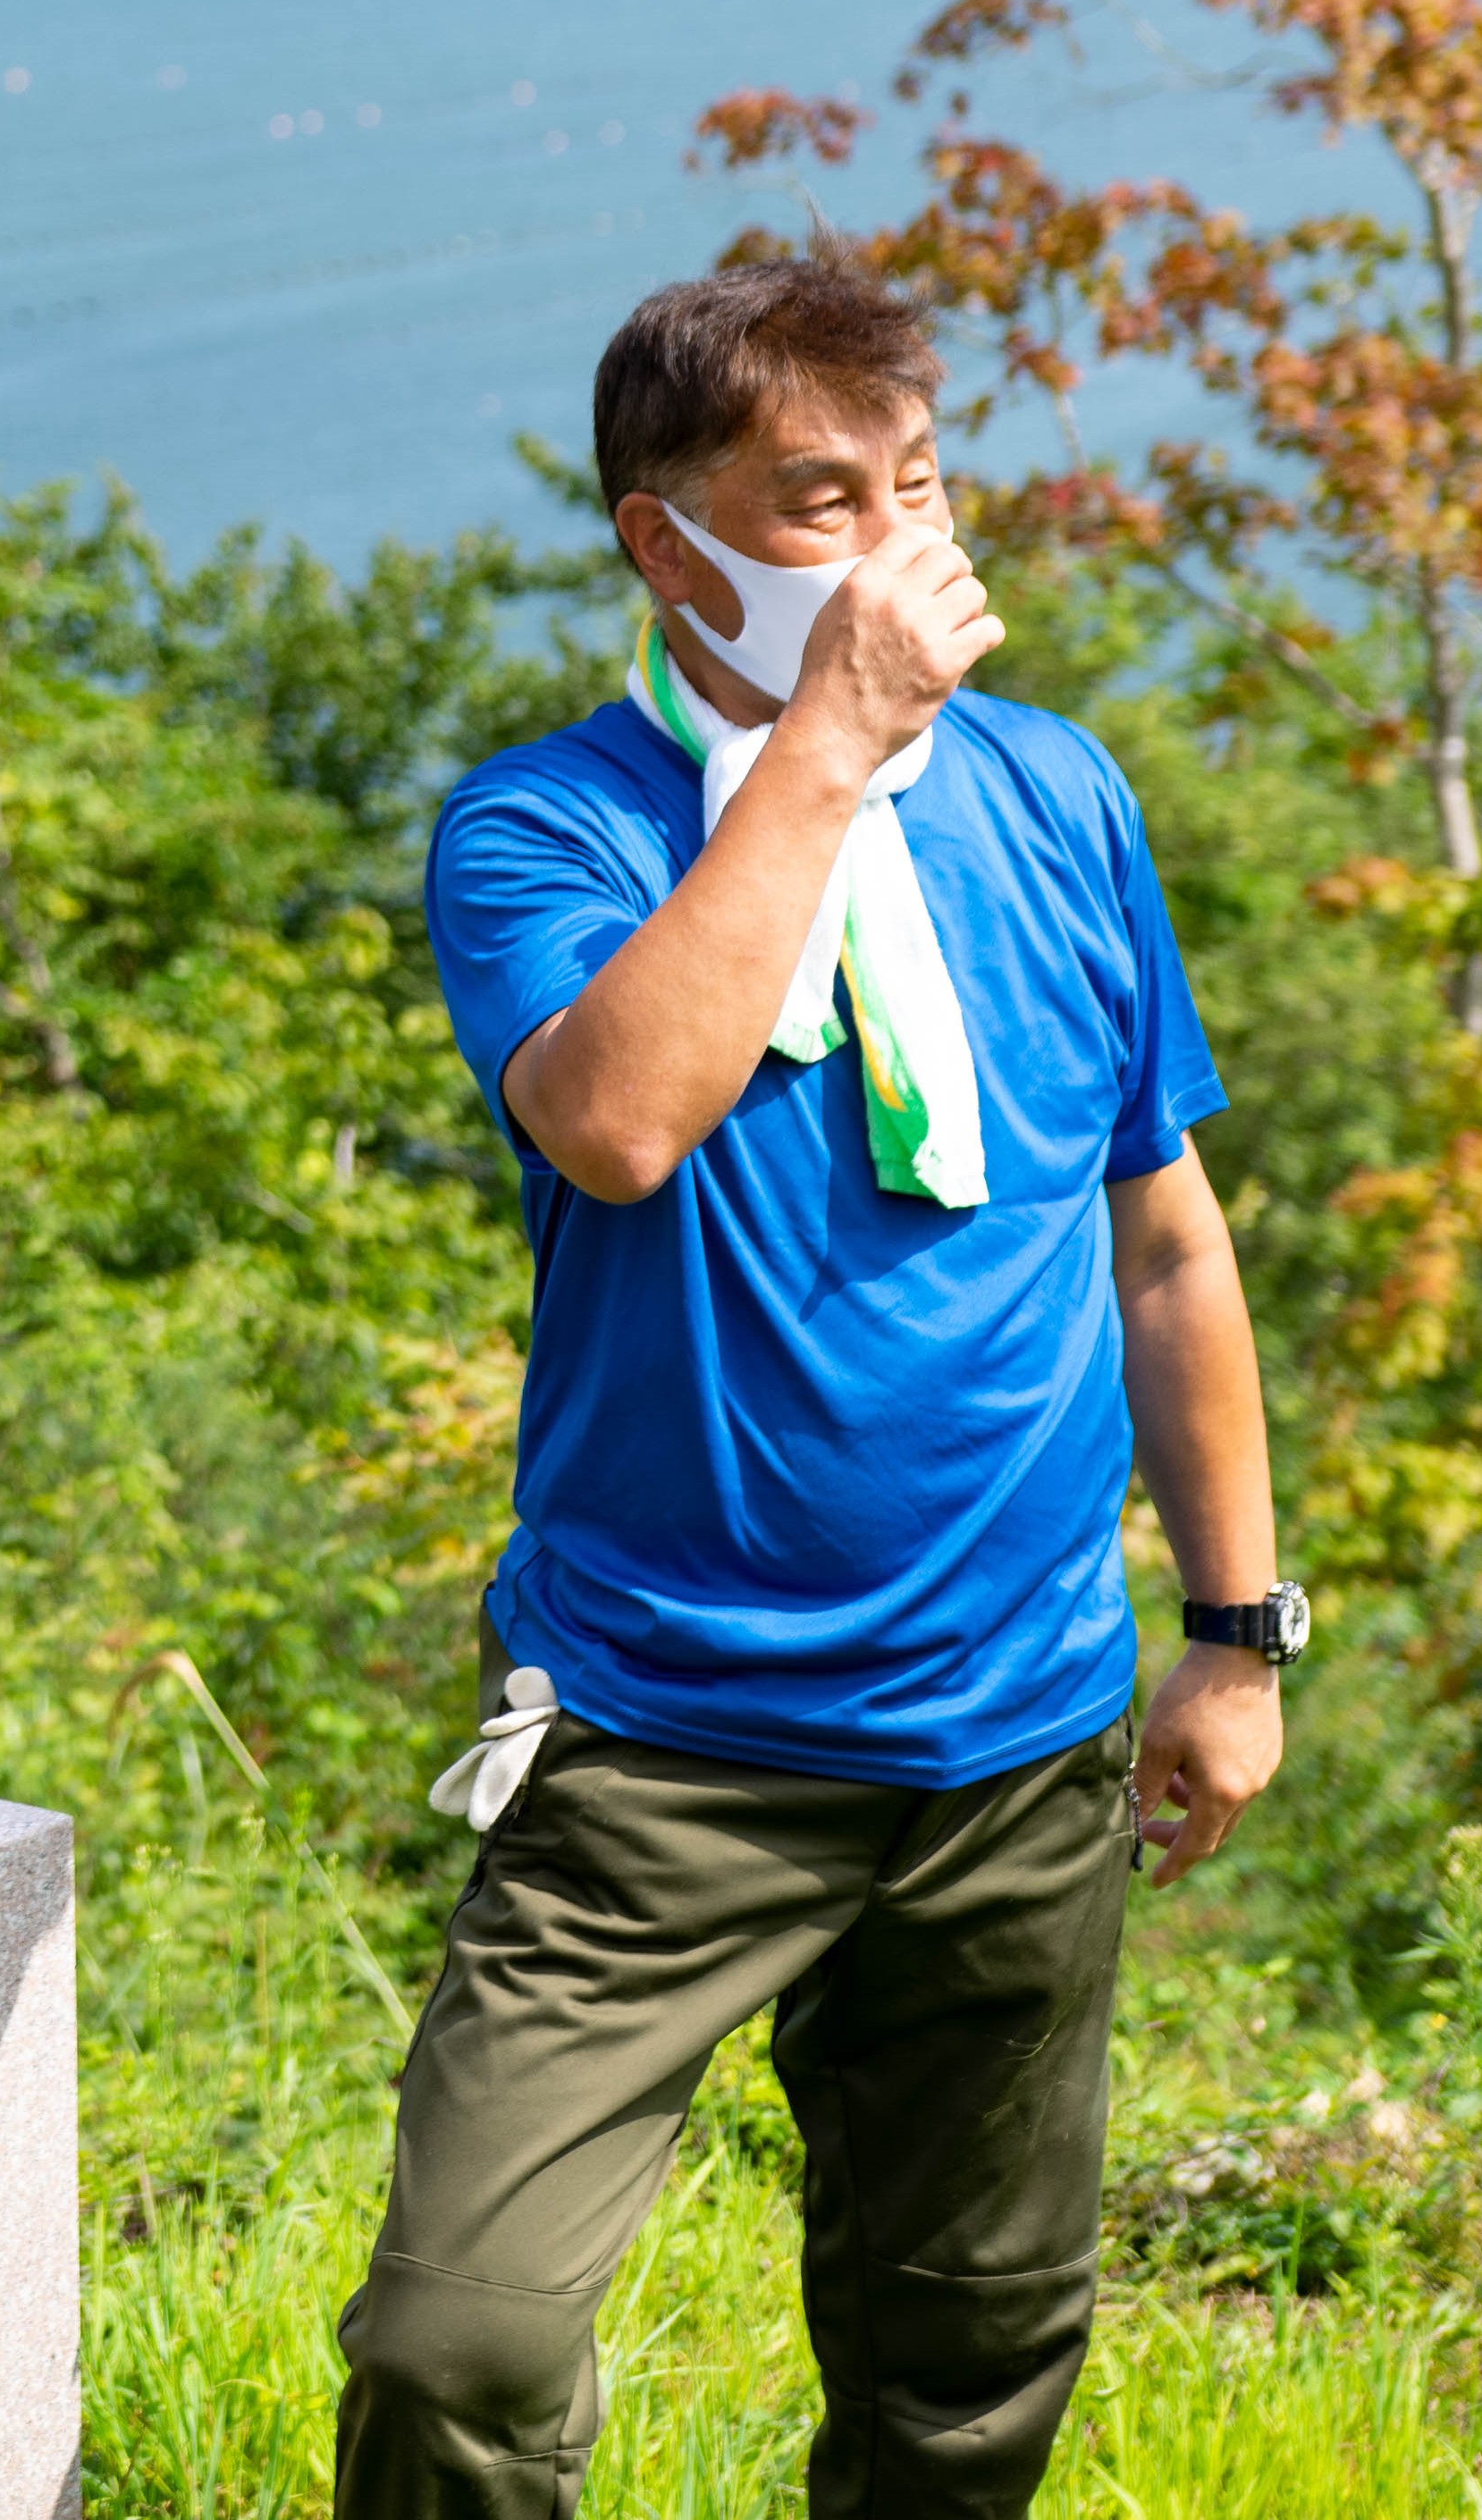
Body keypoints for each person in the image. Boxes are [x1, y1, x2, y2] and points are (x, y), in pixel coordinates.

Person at [341, 260, 1302, 2520]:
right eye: (816, 501)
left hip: (1014, 1742)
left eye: (919, 487)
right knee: (456, 2338)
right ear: (661, 542)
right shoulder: (550, 828)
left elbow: (1165, 1241)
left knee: (963, 2366)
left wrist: (1239, 1638)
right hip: (659, 1745)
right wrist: (825, 752)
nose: (891, 548)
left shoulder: (1055, 799)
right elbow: (616, 1117)